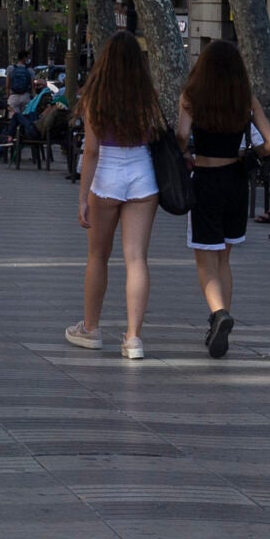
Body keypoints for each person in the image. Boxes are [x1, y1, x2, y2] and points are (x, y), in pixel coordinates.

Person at [178, 41, 270, 359]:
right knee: (224, 258)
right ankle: (221, 319)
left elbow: (181, 136)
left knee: (205, 259)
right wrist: (249, 154)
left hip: (206, 179)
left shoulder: (191, 97)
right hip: (236, 181)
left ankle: (219, 314)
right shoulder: (245, 100)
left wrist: (185, 154)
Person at [67, 31, 164, 360]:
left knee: (98, 256)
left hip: (107, 173)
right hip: (141, 173)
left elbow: (91, 150)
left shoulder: (96, 95)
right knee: (136, 258)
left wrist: (83, 196)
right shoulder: (145, 94)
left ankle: (91, 328)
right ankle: (134, 338)